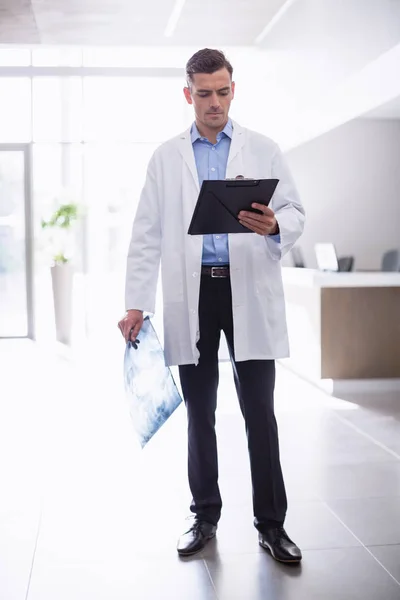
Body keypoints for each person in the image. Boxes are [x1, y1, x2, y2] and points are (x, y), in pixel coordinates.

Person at [118, 48, 305, 563]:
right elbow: (147, 233)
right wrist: (135, 303)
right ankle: (204, 516)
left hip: (247, 289)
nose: (214, 102)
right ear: (188, 94)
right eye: (204, 93)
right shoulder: (166, 156)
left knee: (259, 413)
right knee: (201, 413)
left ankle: (272, 525)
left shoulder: (262, 148)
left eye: (223, 91)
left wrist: (275, 225)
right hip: (193, 294)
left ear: (233, 90)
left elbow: (294, 211)